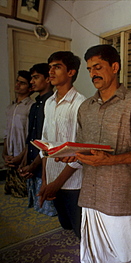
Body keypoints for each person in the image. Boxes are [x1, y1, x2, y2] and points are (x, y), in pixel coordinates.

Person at [67, 44, 131, 262]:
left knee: (126, 253)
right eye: (90, 69)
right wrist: (73, 155)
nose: (93, 73)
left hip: (118, 193)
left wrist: (111, 160)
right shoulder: (86, 107)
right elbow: (84, 147)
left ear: (114, 67)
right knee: (95, 253)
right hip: (91, 192)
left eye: (98, 67)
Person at [38, 51, 86, 238]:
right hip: (52, 178)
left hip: (73, 182)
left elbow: (80, 151)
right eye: (50, 67)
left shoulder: (80, 103)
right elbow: (45, 143)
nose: (51, 71)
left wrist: (57, 183)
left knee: (80, 230)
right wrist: (45, 179)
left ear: (71, 72)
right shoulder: (49, 102)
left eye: (57, 67)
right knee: (65, 224)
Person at [19, 63, 57, 216]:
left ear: (48, 79)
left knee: (50, 211)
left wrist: (34, 165)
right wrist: (24, 161)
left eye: (36, 77)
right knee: (38, 207)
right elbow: (31, 137)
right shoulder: (35, 105)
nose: (32, 82)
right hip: (33, 162)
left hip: (45, 163)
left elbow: (48, 141)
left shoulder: (52, 104)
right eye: (31, 78)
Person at [3, 70, 33, 198]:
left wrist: (21, 156)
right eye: (17, 81)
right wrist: (4, 154)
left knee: (22, 196)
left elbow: (31, 136)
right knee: (10, 193)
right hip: (10, 156)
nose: (17, 85)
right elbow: (7, 133)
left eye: (22, 83)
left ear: (30, 88)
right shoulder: (10, 107)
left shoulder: (31, 106)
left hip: (23, 157)